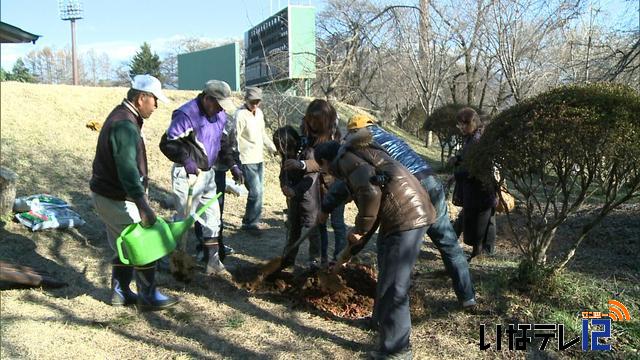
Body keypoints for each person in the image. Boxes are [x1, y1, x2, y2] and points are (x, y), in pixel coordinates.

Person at [322, 114, 476, 309]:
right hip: (430, 181)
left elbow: (354, 189)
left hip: (407, 193)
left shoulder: (361, 145)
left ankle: (386, 303)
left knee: (388, 248)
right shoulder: (390, 136)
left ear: (353, 132)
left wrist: (326, 208)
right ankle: (467, 297)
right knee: (449, 244)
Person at [314, 139, 436, 360]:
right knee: (388, 277)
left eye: (321, 167)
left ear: (324, 162)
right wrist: (347, 254)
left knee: (394, 286)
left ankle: (398, 350)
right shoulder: (356, 156)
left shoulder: (347, 161)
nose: (323, 172)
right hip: (406, 212)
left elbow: (370, 196)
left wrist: (359, 229)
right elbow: (372, 212)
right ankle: (378, 320)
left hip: (407, 216)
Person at [90, 74, 178, 311]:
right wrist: (143, 205)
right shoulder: (125, 124)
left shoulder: (124, 116)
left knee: (124, 245)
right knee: (145, 243)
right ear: (141, 98)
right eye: (155, 100)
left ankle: (120, 293)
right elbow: (127, 169)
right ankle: (148, 296)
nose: (157, 106)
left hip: (107, 195)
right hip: (116, 197)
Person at [159, 80, 239, 275]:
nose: (220, 109)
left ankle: (213, 261)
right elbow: (167, 142)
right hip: (187, 174)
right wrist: (186, 159)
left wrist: (233, 165)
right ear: (207, 98)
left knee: (213, 219)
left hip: (208, 174)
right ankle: (172, 258)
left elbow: (222, 143)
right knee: (183, 220)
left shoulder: (220, 116)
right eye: (218, 104)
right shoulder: (187, 114)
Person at [283, 99, 343, 267]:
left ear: (326, 120)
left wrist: (302, 164)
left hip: (333, 183)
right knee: (319, 224)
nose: (313, 124)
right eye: (310, 119)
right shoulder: (306, 131)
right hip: (313, 187)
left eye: (317, 121)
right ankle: (319, 259)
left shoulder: (333, 134)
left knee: (337, 223)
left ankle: (339, 258)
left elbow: (323, 161)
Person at [449, 107, 497, 260]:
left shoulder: (477, 140)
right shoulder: (471, 137)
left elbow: (475, 169)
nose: (462, 127)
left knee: (479, 223)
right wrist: (458, 160)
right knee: (472, 219)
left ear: (474, 123)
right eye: (460, 124)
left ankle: (480, 253)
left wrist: (456, 175)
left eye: (465, 124)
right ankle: (476, 251)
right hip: (475, 190)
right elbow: (468, 159)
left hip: (481, 190)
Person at [273, 125, 321, 269]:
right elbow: (283, 174)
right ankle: (288, 260)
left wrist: (296, 190)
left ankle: (315, 260)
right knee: (293, 229)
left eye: (283, 146)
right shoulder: (286, 155)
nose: (282, 151)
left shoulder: (308, 152)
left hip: (310, 197)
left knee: (313, 229)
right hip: (293, 198)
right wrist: (285, 186)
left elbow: (311, 177)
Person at [234, 86, 277, 234]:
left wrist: (273, 148)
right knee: (255, 192)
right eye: (252, 101)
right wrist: (236, 161)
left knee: (260, 191)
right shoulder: (240, 115)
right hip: (246, 159)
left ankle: (252, 221)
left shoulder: (259, 113)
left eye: (257, 101)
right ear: (246, 100)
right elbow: (235, 138)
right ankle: (250, 223)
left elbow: (262, 134)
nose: (255, 104)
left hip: (258, 158)